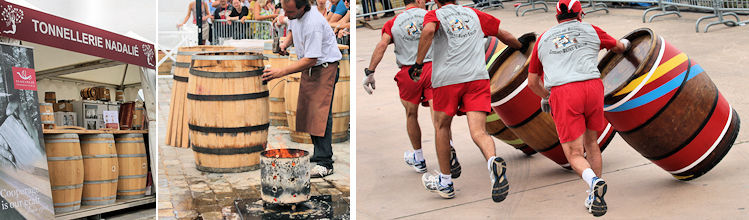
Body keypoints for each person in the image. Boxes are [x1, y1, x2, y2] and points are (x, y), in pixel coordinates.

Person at [412, 0, 530, 201]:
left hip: (447, 80)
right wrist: (521, 47)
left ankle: (446, 182)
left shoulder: (434, 15)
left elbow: (429, 31)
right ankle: (492, 161)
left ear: (436, 1)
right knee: (479, 131)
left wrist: (418, 63)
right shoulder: (474, 14)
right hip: (477, 78)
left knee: (441, 127)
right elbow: (504, 35)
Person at [526, 0, 630, 216]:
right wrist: (627, 44)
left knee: (574, 154)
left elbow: (532, 82)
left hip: (564, 93)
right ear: (580, 14)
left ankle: (593, 184)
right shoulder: (591, 29)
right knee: (592, 144)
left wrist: (547, 96)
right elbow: (619, 47)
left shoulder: (543, 38)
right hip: (592, 88)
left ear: (556, 18)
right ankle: (595, 194)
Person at [362, 0, 461, 178]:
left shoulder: (393, 22)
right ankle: (449, 148)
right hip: (433, 68)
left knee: (410, 114)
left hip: (409, 73)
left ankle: (419, 158)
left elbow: (382, 45)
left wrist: (370, 71)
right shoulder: (431, 16)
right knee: (439, 118)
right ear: (418, 1)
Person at [262, 0, 342, 178]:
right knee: (309, 112)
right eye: (286, 12)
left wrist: (280, 72)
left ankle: (325, 162)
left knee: (320, 114)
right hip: (311, 69)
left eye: (290, 12)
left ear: (302, 7)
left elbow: (311, 58)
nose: (287, 15)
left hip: (324, 67)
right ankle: (320, 153)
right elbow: (292, 28)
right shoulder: (295, 14)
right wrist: (286, 44)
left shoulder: (313, 23)